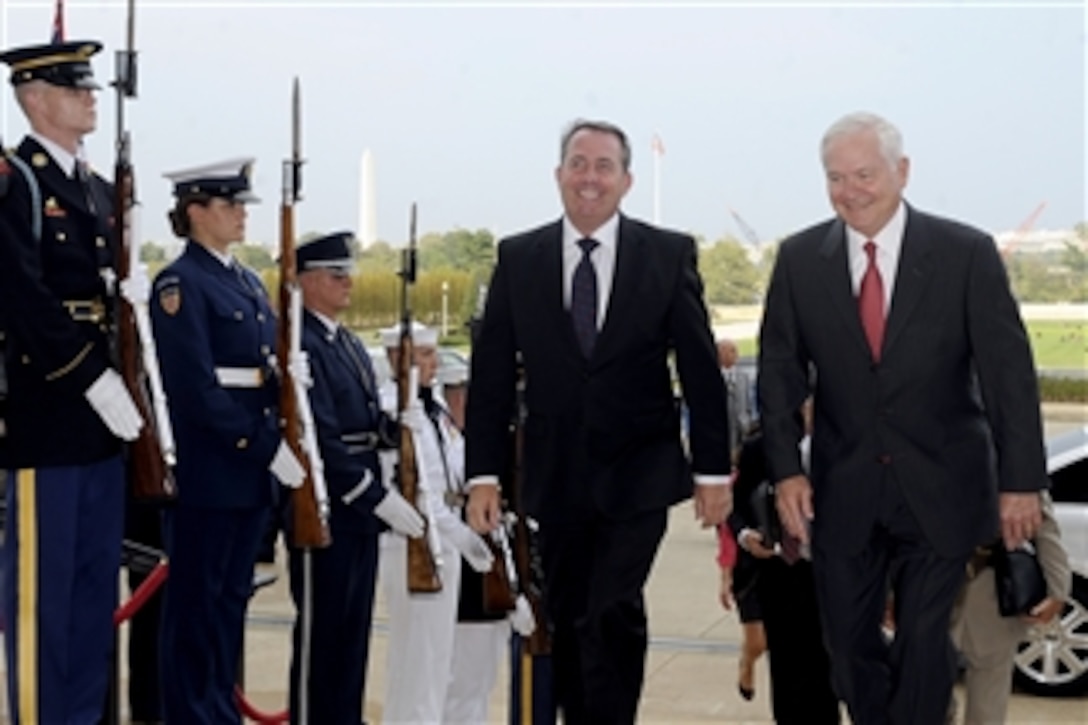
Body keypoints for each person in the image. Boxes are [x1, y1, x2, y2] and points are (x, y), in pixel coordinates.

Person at [758, 111, 1048, 725]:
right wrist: (786, 472)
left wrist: (1022, 482)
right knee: (848, 650)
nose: (850, 190)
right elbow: (779, 373)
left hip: (943, 489)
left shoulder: (964, 254)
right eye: (835, 177)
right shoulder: (801, 259)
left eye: (864, 174)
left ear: (902, 172)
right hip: (845, 492)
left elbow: (1009, 377)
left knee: (922, 646)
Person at [465, 118, 732, 724]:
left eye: (604, 166)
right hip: (554, 476)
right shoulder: (519, 257)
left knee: (610, 607)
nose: (590, 178)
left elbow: (698, 368)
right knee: (567, 613)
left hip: (639, 472)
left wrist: (713, 470)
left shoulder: (667, 254)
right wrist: (483, 473)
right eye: (579, 164)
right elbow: (491, 379)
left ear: (626, 180)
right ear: (559, 175)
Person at [0, 39, 144, 722]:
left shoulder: (96, 188)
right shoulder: (15, 180)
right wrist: (92, 377)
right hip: (48, 413)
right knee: (41, 599)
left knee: (92, 595)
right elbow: (19, 297)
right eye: (73, 85)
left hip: (103, 421)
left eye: (90, 84)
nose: (91, 95)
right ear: (34, 99)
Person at [150, 157, 305, 722]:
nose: (242, 214)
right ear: (196, 212)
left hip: (248, 476)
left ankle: (216, 708)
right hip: (212, 472)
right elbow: (195, 391)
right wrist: (264, 447)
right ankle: (193, 714)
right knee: (196, 610)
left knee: (227, 607)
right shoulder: (180, 283)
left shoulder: (243, 279)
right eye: (230, 205)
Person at [287, 231, 423, 725]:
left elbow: (362, 424)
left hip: (359, 509)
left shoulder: (342, 341)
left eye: (348, 273)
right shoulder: (300, 343)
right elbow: (316, 436)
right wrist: (374, 495)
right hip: (328, 504)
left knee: (351, 630)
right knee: (322, 633)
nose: (347, 283)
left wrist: (396, 426)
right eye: (335, 274)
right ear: (305, 281)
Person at [378, 321, 495, 724]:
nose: (433, 364)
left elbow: (453, 470)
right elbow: (416, 486)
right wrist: (457, 533)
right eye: (425, 355)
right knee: (417, 660)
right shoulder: (392, 410)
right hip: (411, 542)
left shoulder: (433, 408)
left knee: (437, 659)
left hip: (443, 541)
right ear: (400, 359)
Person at [727, 403, 839, 724]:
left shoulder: (846, 446)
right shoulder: (760, 448)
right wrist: (747, 536)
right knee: (788, 669)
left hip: (831, 575)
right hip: (778, 572)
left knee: (828, 669)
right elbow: (734, 510)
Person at [949, 490, 1070, 724]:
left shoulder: (1008, 458)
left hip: (988, 584)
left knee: (988, 694)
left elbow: (1041, 519)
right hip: (927, 582)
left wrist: (1058, 588)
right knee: (925, 689)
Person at [714, 518, 766, 704]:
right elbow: (725, 530)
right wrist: (726, 575)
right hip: (746, 567)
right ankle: (748, 661)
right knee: (757, 641)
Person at [717, 338, 752, 457]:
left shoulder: (744, 377)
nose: (736, 354)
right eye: (731, 351)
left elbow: (748, 401)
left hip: (742, 429)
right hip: (723, 431)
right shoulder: (712, 378)